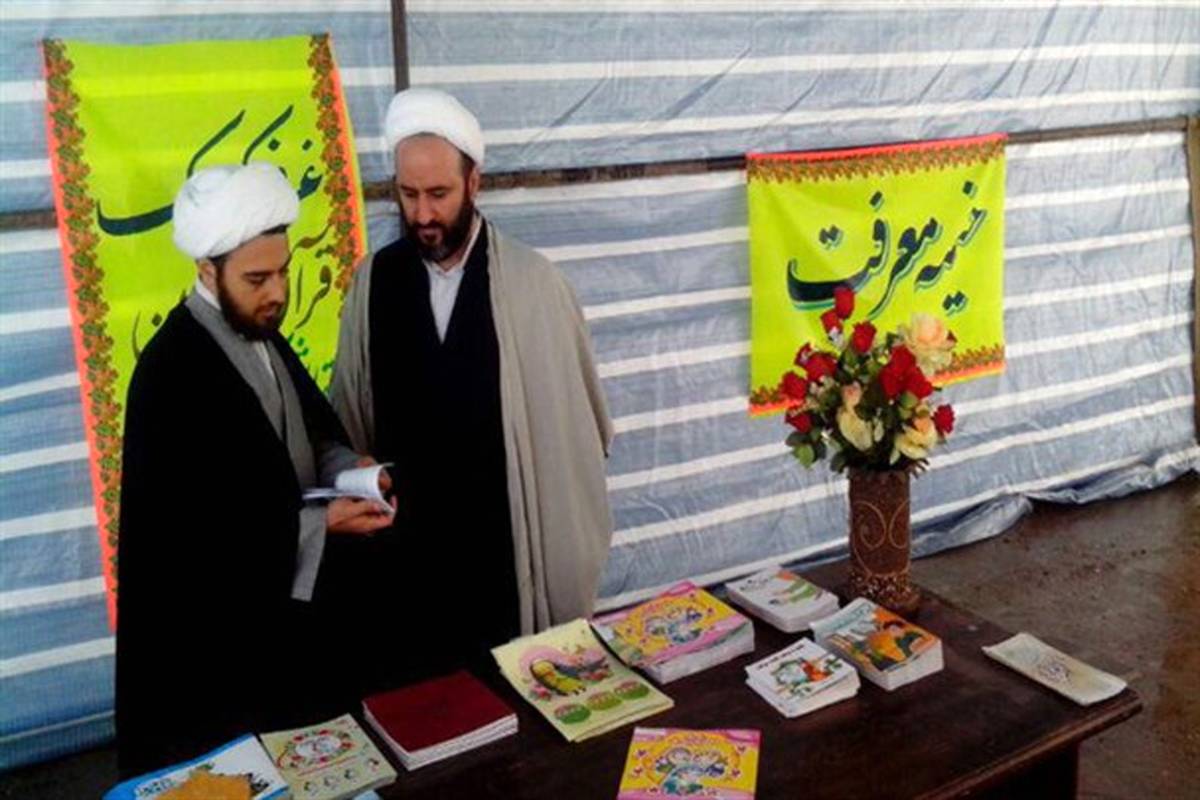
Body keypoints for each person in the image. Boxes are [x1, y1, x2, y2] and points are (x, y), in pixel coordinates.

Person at [115, 163, 393, 776]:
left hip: (288, 634)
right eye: (257, 278)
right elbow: (191, 542)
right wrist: (320, 526)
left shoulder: (263, 334)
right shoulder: (171, 374)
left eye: (283, 272)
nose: (277, 292)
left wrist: (352, 470)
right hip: (215, 655)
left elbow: (312, 434)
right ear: (206, 271)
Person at [329, 88, 614, 683]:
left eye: (439, 194)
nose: (423, 215)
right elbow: (347, 422)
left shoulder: (534, 285)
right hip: (403, 573)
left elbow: (577, 439)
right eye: (408, 194)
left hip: (505, 565)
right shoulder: (373, 282)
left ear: (474, 182)